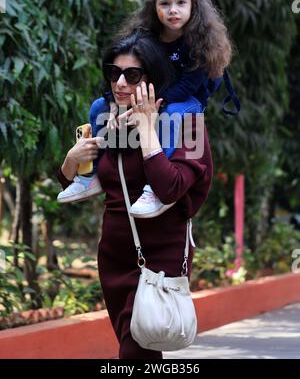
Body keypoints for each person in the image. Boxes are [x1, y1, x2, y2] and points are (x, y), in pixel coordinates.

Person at [57, 31, 213, 359]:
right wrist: (71, 160)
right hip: (114, 256)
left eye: (132, 74)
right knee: (140, 354)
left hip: (160, 255)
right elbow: (79, 183)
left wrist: (146, 130)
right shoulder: (106, 120)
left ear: (153, 79)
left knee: (135, 354)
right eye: (114, 73)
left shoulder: (185, 122)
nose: (121, 83)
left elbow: (169, 187)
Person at [57, 0, 238, 215]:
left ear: (193, 4)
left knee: (171, 113)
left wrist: (152, 105)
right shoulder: (147, 35)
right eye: (165, 4)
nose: (173, 10)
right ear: (154, 6)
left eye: (180, 3)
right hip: (150, 94)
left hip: (186, 99)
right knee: (100, 106)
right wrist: (117, 99)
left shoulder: (201, 41)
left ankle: (156, 186)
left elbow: (187, 86)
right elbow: (130, 69)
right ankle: (91, 175)